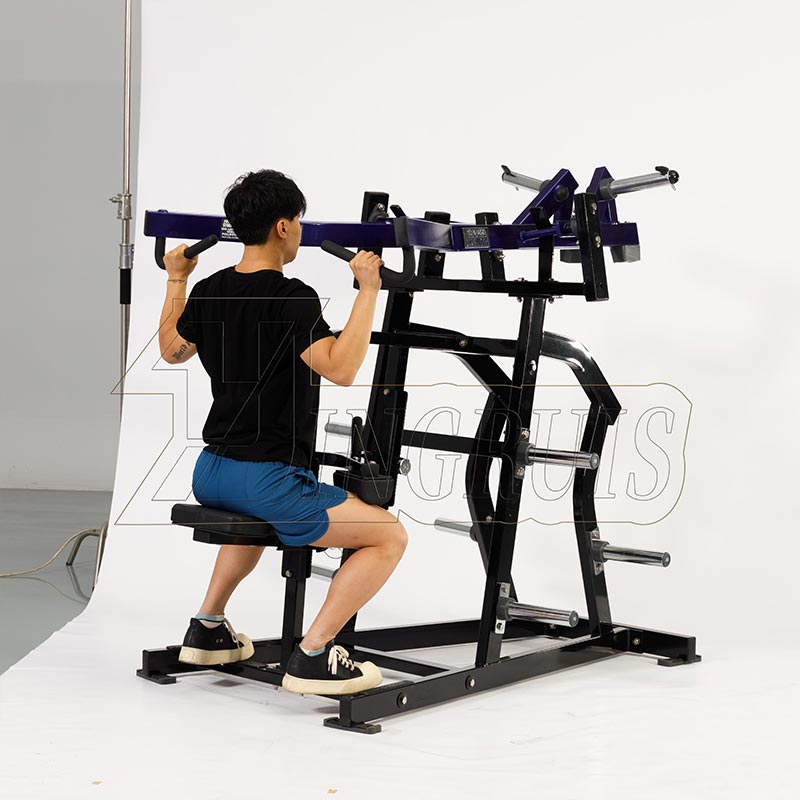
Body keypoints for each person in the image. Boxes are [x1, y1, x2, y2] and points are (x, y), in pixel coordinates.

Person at [157, 169, 408, 696]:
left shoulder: (209, 288)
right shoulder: (292, 296)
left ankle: (207, 626)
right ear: (283, 227)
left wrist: (176, 278)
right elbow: (341, 368)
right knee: (388, 535)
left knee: (255, 520)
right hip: (267, 479)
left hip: (212, 472)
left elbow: (173, 349)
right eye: (298, 220)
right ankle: (314, 654)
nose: (299, 230)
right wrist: (369, 290)